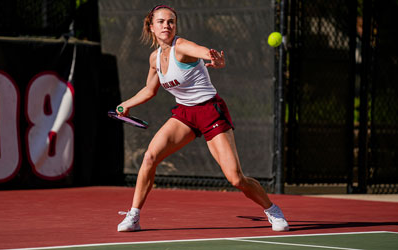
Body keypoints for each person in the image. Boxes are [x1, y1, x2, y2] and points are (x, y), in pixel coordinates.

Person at [116, 4, 289, 232]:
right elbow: (149, 90)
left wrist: (216, 60)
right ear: (151, 26)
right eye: (161, 22)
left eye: (171, 22)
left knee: (236, 179)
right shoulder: (154, 59)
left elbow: (204, 51)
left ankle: (272, 210)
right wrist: (125, 104)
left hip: (210, 110)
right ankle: (134, 216)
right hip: (185, 115)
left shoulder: (182, 46)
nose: (167, 25)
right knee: (150, 157)